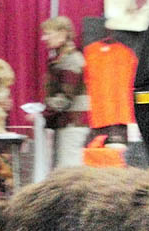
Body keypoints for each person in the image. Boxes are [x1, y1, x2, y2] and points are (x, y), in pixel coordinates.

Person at [33, 16, 89, 168]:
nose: (44, 38)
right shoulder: (62, 59)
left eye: (48, 34)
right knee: (63, 168)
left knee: (68, 170)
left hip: (73, 124)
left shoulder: (71, 60)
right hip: (67, 123)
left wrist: (42, 113)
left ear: (63, 33)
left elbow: (65, 98)